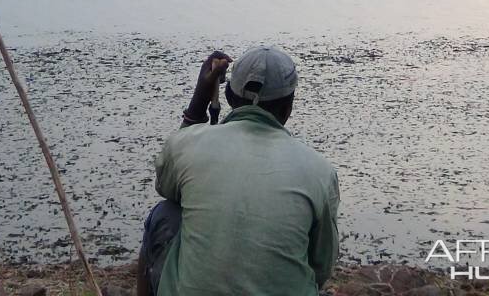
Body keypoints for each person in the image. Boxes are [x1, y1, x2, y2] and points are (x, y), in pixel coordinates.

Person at [137, 46, 340, 296]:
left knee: (164, 213)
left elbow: (166, 183)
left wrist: (200, 99)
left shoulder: (188, 144)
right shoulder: (321, 171)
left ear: (230, 98)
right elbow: (321, 266)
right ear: (289, 106)